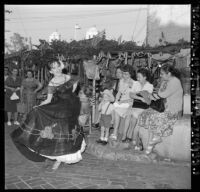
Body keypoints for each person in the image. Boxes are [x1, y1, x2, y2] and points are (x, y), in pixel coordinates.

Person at [10, 59, 86, 171]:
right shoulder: (51, 83)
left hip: (73, 107)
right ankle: (59, 159)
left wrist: (73, 101)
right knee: (61, 131)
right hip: (60, 109)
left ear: (61, 66)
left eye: (58, 66)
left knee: (71, 130)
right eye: (54, 68)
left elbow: (74, 91)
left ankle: (64, 156)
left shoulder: (68, 77)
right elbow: (48, 100)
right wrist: (38, 106)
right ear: (50, 71)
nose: (57, 69)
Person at [135, 63, 183, 155]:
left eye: (162, 74)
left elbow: (163, 94)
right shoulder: (165, 81)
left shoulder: (175, 81)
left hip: (173, 110)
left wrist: (151, 96)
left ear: (168, 73)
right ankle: (148, 142)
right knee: (144, 114)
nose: (160, 76)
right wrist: (152, 96)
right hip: (163, 107)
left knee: (156, 117)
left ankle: (153, 141)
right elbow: (160, 92)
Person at [122, 68, 154, 145]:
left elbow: (147, 98)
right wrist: (140, 97)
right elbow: (131, 94)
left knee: (134, 115)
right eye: (137, 77)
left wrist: (138, 94)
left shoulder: (150, 86)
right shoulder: (136, 83)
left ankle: (129, 135)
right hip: (135, 104)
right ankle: (124, 134)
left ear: (145, 77)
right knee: (128, 115)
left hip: (143, 106)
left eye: (139, 77)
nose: (137, 78)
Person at [110, 65, 140, 140]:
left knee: (122, 112)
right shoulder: (121, 81)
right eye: (123, 73)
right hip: (122, 102)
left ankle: (123, 134)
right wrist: (116, 100)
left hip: (130, 102)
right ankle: (115, 131)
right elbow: (119, 92)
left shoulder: (135, 83)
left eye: (126, 74)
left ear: (130, 74)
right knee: (113, 107)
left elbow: (134, 98)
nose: (124, 75)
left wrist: (122, 101)